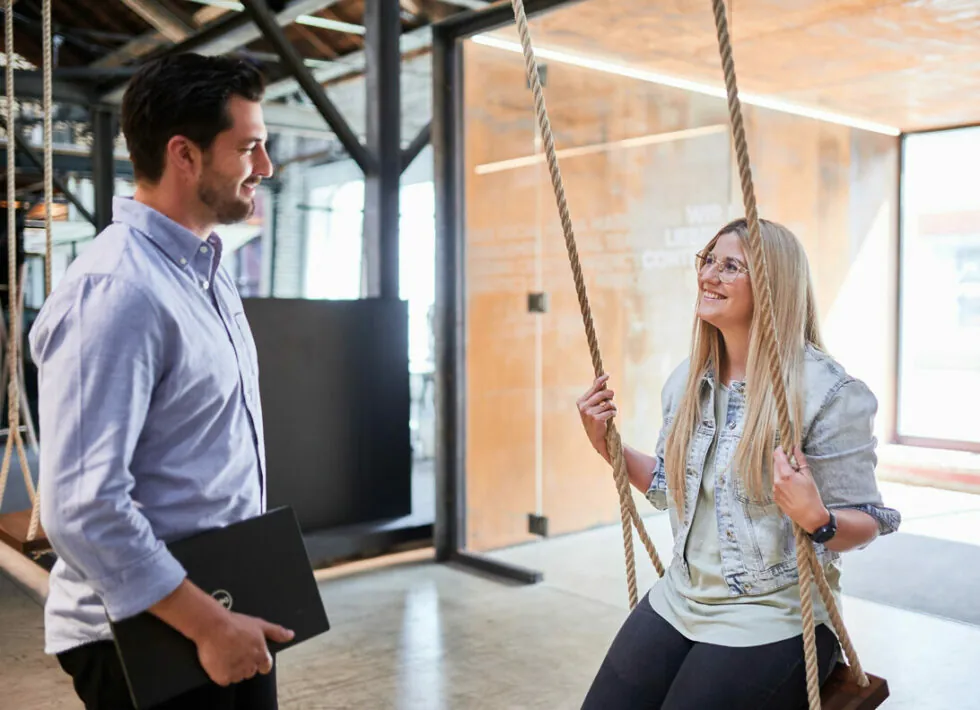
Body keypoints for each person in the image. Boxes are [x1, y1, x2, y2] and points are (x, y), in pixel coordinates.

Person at [30, 53, 291, 710]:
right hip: (146, 628)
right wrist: (208, 625)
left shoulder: (204, 268)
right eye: (250, 148)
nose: (265, 168)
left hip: (221, 597)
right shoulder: (116, 292)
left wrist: (227, 611)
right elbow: (83, 507)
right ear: (185, 155)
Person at [575, 218, 901, 709]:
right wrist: (610, 449)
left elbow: (868, 522)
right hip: (680, 598)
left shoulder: (828, 394)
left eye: (731, 266)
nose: (710, 275)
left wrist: (818, 518)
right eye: (708, 260)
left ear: (773, 286)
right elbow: (668, 487)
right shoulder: (688, 380)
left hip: (773, 615)